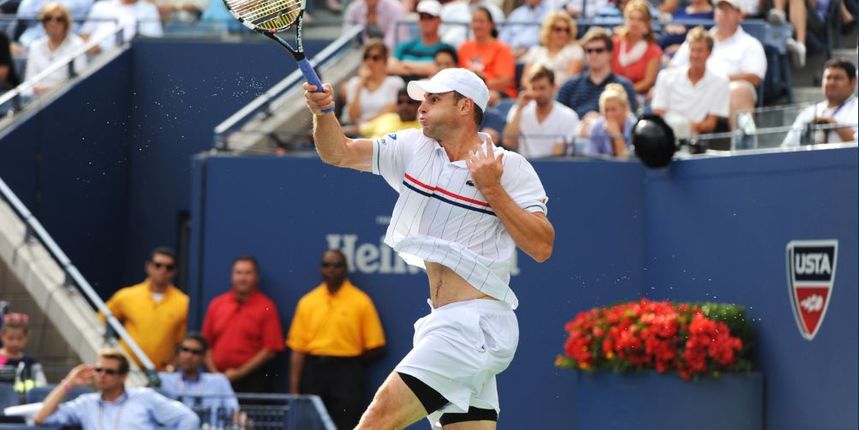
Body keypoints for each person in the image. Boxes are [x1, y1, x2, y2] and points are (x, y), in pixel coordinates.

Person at [303, 66, 554, 428]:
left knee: (378, 417)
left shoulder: (508, 167)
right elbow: (338, 152)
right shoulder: (411, 148)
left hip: (475, 326)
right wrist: (323, 113)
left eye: (434, 99)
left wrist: (493, 189)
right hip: (443, 322)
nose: (421, 107)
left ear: (465, 107)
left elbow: (542, 246)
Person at [287, 250, 387, 430]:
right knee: (311, 424)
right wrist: (294, 390)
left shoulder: (361, 301)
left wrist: (351, 363)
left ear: (345, 268)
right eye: (326, 265)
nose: (331, 270)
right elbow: (297, 349)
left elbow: (376, 345)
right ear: (320, 269)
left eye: (337, 265)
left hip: (347, 372)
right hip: (314, 370)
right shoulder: (307, 302)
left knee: (347, 423)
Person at [33, 350, 200, 429]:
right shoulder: (86, 403)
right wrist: (68, 383)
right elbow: (41, 418)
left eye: (109, 372)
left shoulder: (145, 397)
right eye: (99, 370)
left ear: (123, 376)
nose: (102, 375)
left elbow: (189, 419)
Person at [669, 0, 765, 130]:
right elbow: (673, 67)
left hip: (727, 92)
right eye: (720, 9)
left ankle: (743, 143)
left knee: (740, 90)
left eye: (728, 9)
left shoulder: (750, 44)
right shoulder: (698, 40)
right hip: (694, 88)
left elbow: (754, 77)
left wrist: (717, 80)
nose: (723, 13)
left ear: (739, 14)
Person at [202, 256, 284, 393]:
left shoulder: (266, 306)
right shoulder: (217, 304)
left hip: (252, 380)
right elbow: (205, 344)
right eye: (238, 273)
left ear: (256, 277)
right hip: (216, 380)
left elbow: (270, 349)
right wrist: (216, 375)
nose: (242, 278)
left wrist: (239, 373)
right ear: (232, 275)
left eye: (247, 273)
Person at [102, 247, 188, 371]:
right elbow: (100, 321)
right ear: (148, 267)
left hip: (161, 372)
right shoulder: (126, 296)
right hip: (127, 369)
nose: (163, 270)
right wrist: (113, 350)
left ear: (174, 272)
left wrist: (174, 366)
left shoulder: (183, 302)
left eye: (169, 267)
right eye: (158, 265)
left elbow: (182, 341)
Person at [652, 27, 730, 137]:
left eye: (700, 50)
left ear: (709, 53)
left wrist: (687, 127)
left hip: (697, 139)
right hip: (666, 137)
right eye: (692, 50)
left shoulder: (720, 82)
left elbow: (710, 124)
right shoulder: (666, 76)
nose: (695, 55)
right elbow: (658, 112)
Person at [159, 334, 240, 427]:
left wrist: (240, 424)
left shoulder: (219, 381)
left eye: (195, 352)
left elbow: (234, 411)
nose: (189, 356)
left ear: (204, 357)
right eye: (185, 350)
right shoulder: (163, 379)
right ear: (178, 353)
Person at [556, 27, 638, 119]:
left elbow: (630, 119)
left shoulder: (624, 86)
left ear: (610, 53)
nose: (593, 55)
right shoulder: (570, 85)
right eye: (589, 51)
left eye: (599, 50)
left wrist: (600, 121)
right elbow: (557, 116)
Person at [503, 64, 580, 158]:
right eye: (534, 88)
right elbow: (509, 142)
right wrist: (519, 109)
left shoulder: (568, 116)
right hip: (523, 168)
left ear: (553, 87)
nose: (538, 93)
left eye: (542, 88)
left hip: (554, 169)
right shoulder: (518, 110)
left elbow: (557, 156)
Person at [783, 59, 858, 146]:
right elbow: (787, 146)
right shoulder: (810, 112)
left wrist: (832, 123)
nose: (831, 82)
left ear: (853, 82)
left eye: (837, 78)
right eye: (828, 77)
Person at [24, 3, 87, 95]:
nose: (53, 23)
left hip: (66, 98)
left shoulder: (77, 44)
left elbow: (79, 82)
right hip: (37, 101)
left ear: (66, 23)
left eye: (59, 19)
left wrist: (51, 91)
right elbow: (29, 83)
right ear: (44, 23)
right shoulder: (35, 46)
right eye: (48, 19)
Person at [340, 39, 405, 126]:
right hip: (354, 129)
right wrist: (360, 85)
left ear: (385, 60)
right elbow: (352, 116)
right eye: (366, 57)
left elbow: (390, 110)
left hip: (382, 129)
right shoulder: (354, 83)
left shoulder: (395, 82)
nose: (370, 62)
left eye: (375, 58)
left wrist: (365, 123)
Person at [458, 6, 517, 102]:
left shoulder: (502, 48)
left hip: (496, 92)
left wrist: (478, 86)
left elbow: (506, 81)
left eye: (481, 21)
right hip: (469, 91)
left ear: (491, 25)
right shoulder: (463, 47)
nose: (477, 25)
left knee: (483, 98)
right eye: (475, 21)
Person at [386, 0, 455, 80]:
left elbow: (439, 70)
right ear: (418, 20)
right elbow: (389, 67)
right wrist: (424, 68)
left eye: (430, 17)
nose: (426, 21)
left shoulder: (447, 49)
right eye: (422, 17)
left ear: (439, 20)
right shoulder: (403, 46)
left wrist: (405, 64)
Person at [520, 11, 583, 90]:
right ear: (548, 30)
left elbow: (570, 79)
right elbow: (525, 80)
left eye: (567, 30)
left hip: (561, 96)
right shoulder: (535, 51)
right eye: (558, 29)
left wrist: (548, 91)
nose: (563, 33)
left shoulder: (575, 51)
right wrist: (538, 91)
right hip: (535, 94)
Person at [611, 0, 662, 96]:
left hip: (637, 96)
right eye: (631, 18)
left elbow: (648, 81)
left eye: (640, 19)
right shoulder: (614, 44)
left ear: (647, 23)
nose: (634, 23)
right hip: (611, 94)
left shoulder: (653, 50)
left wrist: (625, 93)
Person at [80, 0, 162, 54]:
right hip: (93, 59)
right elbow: (85, 34)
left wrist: (105, 49)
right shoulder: (100, 6)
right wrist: (88, 48)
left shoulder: (149, 9)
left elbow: (151, 40)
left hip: (126, 57)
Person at [584, 83, 636, 158]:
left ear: (624, 109)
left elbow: (629, 161)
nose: (610, 114)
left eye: (613, 109)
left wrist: (617, 136)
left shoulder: (634, 127)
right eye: (606, 110)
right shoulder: (597, 127)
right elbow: (591, 158)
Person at [0, 313, 46, 395]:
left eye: (19, 338)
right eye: (10, 338)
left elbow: (42, 386)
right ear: (2, 336)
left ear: (26, 338)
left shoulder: (32, 362)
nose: (15, 343)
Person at [342, 0, 407, 50]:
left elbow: (395, 39)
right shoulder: (354, 8)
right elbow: (347, 34)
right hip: (364, 53)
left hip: (393, 53)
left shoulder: (395, 7)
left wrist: (377, 51)